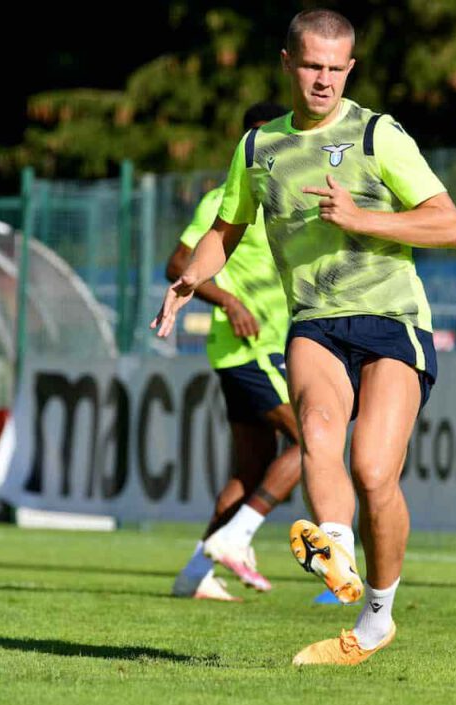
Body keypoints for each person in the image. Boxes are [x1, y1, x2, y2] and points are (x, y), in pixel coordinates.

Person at [153, 9, 456, 664]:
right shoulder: (258, 148)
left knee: (375, 469)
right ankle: (336, 553)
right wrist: (188, 283)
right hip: (314, 321)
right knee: (317, 428)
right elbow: (224, 232)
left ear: (349, 68)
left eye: (336, 67)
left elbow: (448, 224)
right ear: (289, 64)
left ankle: (377, 616)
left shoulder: (379, 135)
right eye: (312, 65)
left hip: (392, 321)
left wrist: (363, 219)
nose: (323, 79)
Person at [168, 102, 303, 603]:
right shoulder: (228, 197)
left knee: (249, 470)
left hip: (251, 351)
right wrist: (227, 299)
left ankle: (195, 573)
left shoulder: (284, 203)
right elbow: (178, 262)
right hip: (252, 348)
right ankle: (238, 537)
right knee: (313, 442)